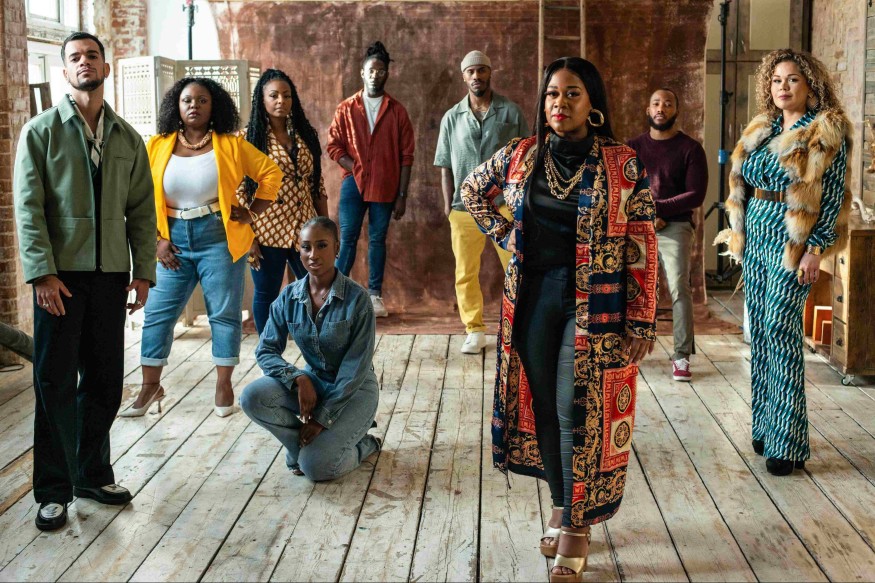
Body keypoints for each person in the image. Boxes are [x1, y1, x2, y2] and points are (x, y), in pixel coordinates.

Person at [461, 57, 658, 582]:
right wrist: (506, 233)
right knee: (545, 405)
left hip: (595, 303)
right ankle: (560, 501)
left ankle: (576, 524)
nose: (560, 103)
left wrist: (641, 319)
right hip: (532, 298)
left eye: (572, 93)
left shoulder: (622, 163)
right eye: (552, 93)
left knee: (576, 407)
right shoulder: (522, 154)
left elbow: (642, 239)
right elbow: (471, 190)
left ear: (592, 104)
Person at [13, 32, 157, 531]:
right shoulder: (40, 132)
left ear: (105, 67)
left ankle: (93, 475)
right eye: (74, 57)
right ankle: (53, 490)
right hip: (60, 277)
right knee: (55, 382)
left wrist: (143, 272)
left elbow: (142, 211)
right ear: (65, 71)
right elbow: (28, 208)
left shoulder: (127, 137)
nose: (84, 62)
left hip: (111, 275)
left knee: (105, 381)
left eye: (92, 55)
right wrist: (41, 273)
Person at [715, 48, 851, 476]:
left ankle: (788, 441)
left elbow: (832, 197)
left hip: (793, 240)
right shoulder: (763, 128)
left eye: (792, 79)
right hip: (756, 235)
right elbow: (742, 182)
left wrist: (816, 249)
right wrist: (739, 232)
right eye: (776, 80)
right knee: (761, 331)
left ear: (810, 85)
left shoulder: (825, 130)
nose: (783, 87)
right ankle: (765, 427)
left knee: (780, 327)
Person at [122, 77, 282, 420]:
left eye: (202, 100)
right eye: (187, 100)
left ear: (214, 106)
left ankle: (224, 385)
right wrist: (156, 240)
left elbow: (271, 173)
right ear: (176, 106)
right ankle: (150, 386)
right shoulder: (157, 145)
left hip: (219, 237)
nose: (194, 105)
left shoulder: (232, 145)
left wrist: (252, 211)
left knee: (223, 314)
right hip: (172, 239)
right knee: (158, 313)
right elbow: (136, 196)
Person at [239, 216, 382, 480]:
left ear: (336, 248)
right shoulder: (289, 296)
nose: (313, 254)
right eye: (306, 247)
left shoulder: (358, 300)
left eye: (322, 245)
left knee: (318, 468)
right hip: (314, 382)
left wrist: (321, 419)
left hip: (355, 391)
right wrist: (299, 378)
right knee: (252, 397)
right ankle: (302, 448)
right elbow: (266, 350)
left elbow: (354, 369)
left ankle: (365, 444)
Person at [434, 50, 528, 354]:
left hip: (504, 205)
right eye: (471, 71)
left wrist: (521, 204)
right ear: (464, 77)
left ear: (490, 72)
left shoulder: (511, 112)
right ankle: (474, 330)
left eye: (481, 70)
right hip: (464, 208)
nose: (476, 76)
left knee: (516, 265)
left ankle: (520, 327)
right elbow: (445, 164)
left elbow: (527, 158)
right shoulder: (452, 117)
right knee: (465, 272)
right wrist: (448, 205)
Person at [327, 41, 415, 318]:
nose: (376, 75)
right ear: (362, 73)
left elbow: (406, 156)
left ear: (387, 73)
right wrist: (355, 167)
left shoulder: (397, 111)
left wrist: (402, 196)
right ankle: (335, 293)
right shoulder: (346, 108)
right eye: (371, 70)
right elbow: (333, 146)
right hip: (353, 184)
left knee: (377, 239)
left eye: (381, 70)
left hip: (386, 185)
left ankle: (375, 296)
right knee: (348, 238)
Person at [239, 68, 328, 335]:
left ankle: (316, 343)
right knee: (266, 292)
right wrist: (248, 237)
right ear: (262, 99)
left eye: (286, 95)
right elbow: (239, 191)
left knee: (317, 288)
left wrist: (326, 228)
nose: (281, 101)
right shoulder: (248, 138)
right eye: (274, 95)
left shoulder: (305, 134)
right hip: (267, 227)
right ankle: (268, 349)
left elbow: (317, 184)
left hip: (306, 227)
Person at [628, 88, 707, 381]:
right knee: (631, 288)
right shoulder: (632, 147)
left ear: (676, 110)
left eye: (668, 104)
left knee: (678, 287)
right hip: (637, 226)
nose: (661, 108)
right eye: (656, 103)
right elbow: (625, 188)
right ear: (648, 110)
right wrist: (648, 215)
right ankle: (628, 349)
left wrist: (658, 210)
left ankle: (681, 356)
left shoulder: (690, 149)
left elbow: (695, 195)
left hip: (675, 227)